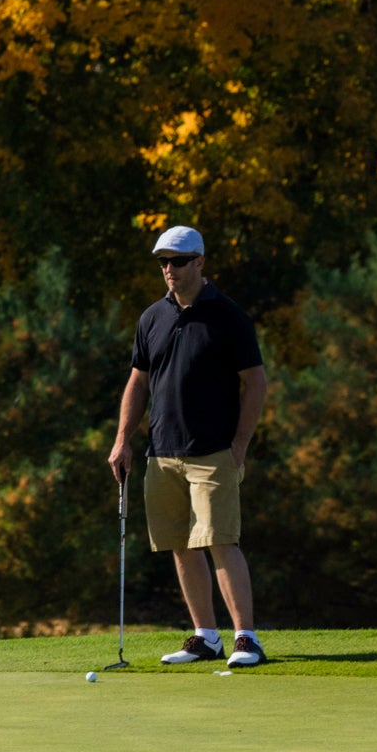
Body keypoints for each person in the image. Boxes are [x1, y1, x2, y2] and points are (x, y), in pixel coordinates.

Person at [109, 225, 270, 667]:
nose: (169, 269)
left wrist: (239, 444)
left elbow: (255, 383)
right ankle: (205, 636)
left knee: (221, 541)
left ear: (200, 262)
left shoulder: (228, 316)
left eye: (178, 261)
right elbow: (137, 381)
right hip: (162, 451)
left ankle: (246, 638)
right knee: (180, 543)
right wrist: (123, 439)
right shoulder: (152, 318)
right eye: (163, 262)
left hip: (213, 449)